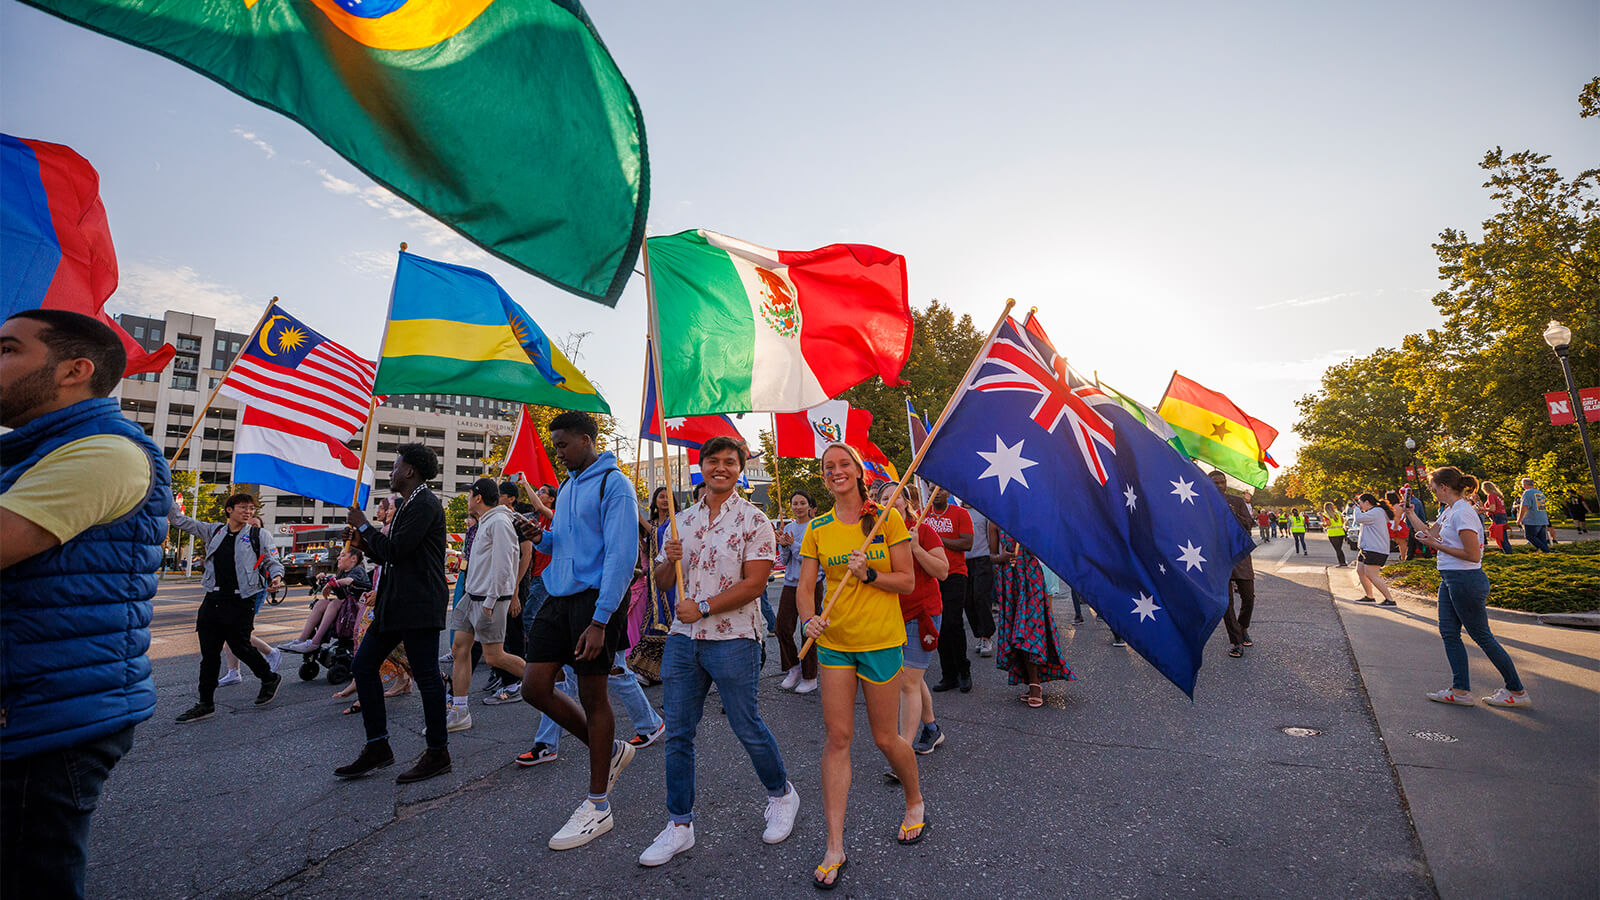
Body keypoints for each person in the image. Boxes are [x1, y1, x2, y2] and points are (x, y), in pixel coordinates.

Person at [0, 309, 173, 899]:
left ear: (75, 369)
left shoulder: (106, 453)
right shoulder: (36, 453)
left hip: (42, 714)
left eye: (7, 350)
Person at [639, 436, 798, 867]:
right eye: (713, 461)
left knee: (746, 725)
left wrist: (705, 607)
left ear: (740, 469)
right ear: (702, 466)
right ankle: (679, 825)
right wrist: (666, 560)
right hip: (682, 640)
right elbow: (664, 583)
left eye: (730, 462)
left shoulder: (755, 520)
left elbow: (756, 583)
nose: (721, 467)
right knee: (678, 732)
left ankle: (781, 794)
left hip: (734, 638)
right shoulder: (679, 521)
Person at [798, 442, 924, 889]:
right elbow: (805, 585)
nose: (836, 471)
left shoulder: (887, 518)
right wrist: (807, 619)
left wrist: (870, 573)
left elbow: (907, 580)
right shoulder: (817, 527)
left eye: (843, 464)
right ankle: (834, 845)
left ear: (857, 470)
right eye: (828, 467)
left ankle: (914, 801)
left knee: (886, 738)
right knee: (837, 738)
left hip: (881, 641)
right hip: (834, 644)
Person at [519, 411, 640, 850]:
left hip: (593, 603)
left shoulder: (615, 486)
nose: (559, 452)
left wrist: (600, 619)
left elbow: (621, 557)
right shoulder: (568, 486)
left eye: (565, 444)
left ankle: (597, 805)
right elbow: (564, 544)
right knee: (533, 687)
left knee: (594, 697)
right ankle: (606, 749)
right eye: (556, 445)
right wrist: (539, 535)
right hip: (558, 595)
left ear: (588, 440)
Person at [336, 443, 452, 784]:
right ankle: (377, 746)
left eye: (395, 465)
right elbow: (388, 553)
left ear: (410, 471)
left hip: (418, 604)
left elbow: (397, 551)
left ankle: (438, 752)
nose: (391, 471)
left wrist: (365, 525)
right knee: (363, 665)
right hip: (395, 603)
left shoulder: (425, 504)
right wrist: (361, 541)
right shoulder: (407, 505)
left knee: (426, 676)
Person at [1408, 468, 1531, 708]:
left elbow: (1473, 555)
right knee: (1449, 632)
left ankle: (1516, 691)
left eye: (1434, 488)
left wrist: (1435, 545)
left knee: (1482, 636)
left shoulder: (1463, 513)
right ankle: (1460, 690)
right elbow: (1427, 533)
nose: (1432, 492)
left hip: (1465, 579)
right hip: (1450, 578)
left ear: (1444, 487)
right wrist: (1410, 514)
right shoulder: (1450, 511)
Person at [169, 492, 287, 723]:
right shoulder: (214, 531)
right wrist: (164, 494)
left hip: (241, 600)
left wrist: (277, 577)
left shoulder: (257, 534)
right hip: (213, 599)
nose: (248, 512)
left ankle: (268, 678)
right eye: (243, 507)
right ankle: (205, 703)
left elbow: (273, 560)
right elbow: (180, 521)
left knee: (241, 646)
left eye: (251, 509)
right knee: (209, 655)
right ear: (229, 510)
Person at [444, 479, 526, 732]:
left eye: (469, 495)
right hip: (472, 596)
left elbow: (506, 564)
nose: (467, 500)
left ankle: (547, 681)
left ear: (478, 497)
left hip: (489, 600)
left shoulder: (500, 522)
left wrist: (491, 600)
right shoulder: (487, 522)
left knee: (494, 656)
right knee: (460, 648)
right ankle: (459, 711)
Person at [883, 483, 949, 755]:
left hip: (923, 613)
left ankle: (903, 752)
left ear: (907, 503)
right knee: (911, 675)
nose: (891, 502)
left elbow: (943, 571)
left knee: (907, 681)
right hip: (891, 616)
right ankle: (932, 728)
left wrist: (917, 549)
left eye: (896, 498)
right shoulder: (877, 535)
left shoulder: (922, 530)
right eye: (884, 498)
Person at [991, 528, 1072, 704]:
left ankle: (1035, 684)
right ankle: (1030, 681)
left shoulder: (1027, 518)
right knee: (1015, 631)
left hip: (1031, 577)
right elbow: (991, 555)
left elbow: (1046, 547)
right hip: (1008, 580)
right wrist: (1001, 558)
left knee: (1028, 629)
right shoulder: (995, 519)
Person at [922, 487, 977, 691]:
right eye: (931, 488)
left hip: (955, 573)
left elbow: (967, 543)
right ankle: (949, 675)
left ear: (948, 493)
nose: (935, 493)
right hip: (930, 575)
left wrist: (935, 538)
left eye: (940, 489)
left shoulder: (960, 513)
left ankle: (964, 670)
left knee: (952, 622)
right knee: (938, 625)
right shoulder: (921, 515)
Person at [775, 489, 823, 693]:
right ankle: (793, 668)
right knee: (782, 628)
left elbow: (810, 558)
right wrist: (783, 546)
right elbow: (785, 561)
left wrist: (792, 544)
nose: (797, 507)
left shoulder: (817, 527)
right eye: (794, 503)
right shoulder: (789, 527)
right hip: (790, 583)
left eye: (802, 502)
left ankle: (810, 676)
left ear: (811, 507)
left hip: (812, 583)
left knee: (808, 630)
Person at [280, 546, 371, 653]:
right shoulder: (342, 572)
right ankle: (301, 640)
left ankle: (315, 642)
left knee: (335, 603)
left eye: (342, 555)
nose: (338, 558)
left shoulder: (358, 570)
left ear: (353, 559)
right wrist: (324, 578)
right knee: (321, 603)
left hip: (359, 608)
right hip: (347, 607)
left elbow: (349, 581)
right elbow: (336, 581)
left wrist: (330, 584)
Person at [1209, 471, 1258, 656]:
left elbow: (1248, 525)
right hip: (1218, 558)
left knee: (1248, 597)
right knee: (1226, 603)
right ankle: (1236, 641)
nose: (1219, 486)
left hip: (1240, 556)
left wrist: (1232, 514)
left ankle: (1243, 627)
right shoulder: (1203, 503)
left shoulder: (1236, 502)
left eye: (1221, 483)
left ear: (1226, 484)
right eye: (1215, 483)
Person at [629, 486, 673, 685]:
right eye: (661, 497)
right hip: (652, 581)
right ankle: (649, 669)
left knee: (666, 620)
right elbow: (650, 547)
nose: (664, 500)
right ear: (655, 501)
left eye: (668, 497)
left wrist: (640, 519)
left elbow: (661, 535)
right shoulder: (653, 522)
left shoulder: (676, 521)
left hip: (669, 580)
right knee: (653, 619)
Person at [962, 498, 1000, 638]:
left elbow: (991, 538)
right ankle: (978, 634)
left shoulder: (983, 512)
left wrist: (993, 557)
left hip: (982, 559)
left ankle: (986, 636)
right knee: (968, 600)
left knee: (981, 597)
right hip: (964, 561)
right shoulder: (959, 512)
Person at [1350, 494, 1397, 605]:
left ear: (1367, 502)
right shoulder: (1374, 512)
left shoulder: (1376, 512)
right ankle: (1369, 596)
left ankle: (1390, 599)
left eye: (1360, 503)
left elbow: (1358, 518)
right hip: (1367, 548)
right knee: (1360, 571)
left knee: (1371, 574)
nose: (1359, 506)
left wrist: (1356, 509)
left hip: (1375, 549)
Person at [1480, 482, 1511, 553]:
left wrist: (1482, 509)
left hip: (1497, 517)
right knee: (1503, 536)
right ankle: (1507, 552)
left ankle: (1508, 553)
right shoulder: (1499, 495)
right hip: (1502, 515)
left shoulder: (1491, 495)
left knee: (1501, 537)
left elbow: (1492, 509)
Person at [1321, 502, 1349, 567]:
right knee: (1339, 548)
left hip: (1332, 534)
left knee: (1337, 549)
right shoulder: (1338, 513)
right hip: (1341, 533)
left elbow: (1328, 524)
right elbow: (1342, 521)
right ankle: (1343, 562)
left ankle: (1342, 562)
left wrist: (1323, 525)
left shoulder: (1326, 515)